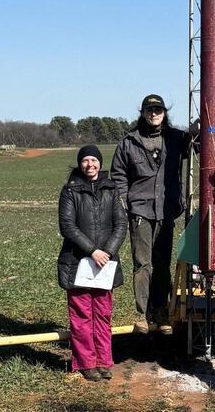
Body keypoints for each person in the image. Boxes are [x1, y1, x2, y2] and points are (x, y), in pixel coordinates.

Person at [110, 94, 192, 335]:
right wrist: (124, 202)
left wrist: (206, 125)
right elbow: (118, 175)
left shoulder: (176, 138)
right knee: (142, 264)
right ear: (143, 113)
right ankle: (143, 313)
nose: (154, 114)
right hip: (140, 211)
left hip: (166, 212)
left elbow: (201, 142)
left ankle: (162, 310)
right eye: (149, 110)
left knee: (162, 264)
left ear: (164, 113)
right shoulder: (129, 142)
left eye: (158, 110)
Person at [58, 145, 127, 381]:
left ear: (100, 163)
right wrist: (92, 250)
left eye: (94, 160)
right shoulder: (70, 191)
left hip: (104, 264)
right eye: (85, 160)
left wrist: (107, 252)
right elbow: (67, 226)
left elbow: (121, 224)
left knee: (103, 313)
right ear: (80, 164)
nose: (90, 165)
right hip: (78, 262)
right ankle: (86, 363)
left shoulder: (111, 189)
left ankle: (103, 361)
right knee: (82, 315)